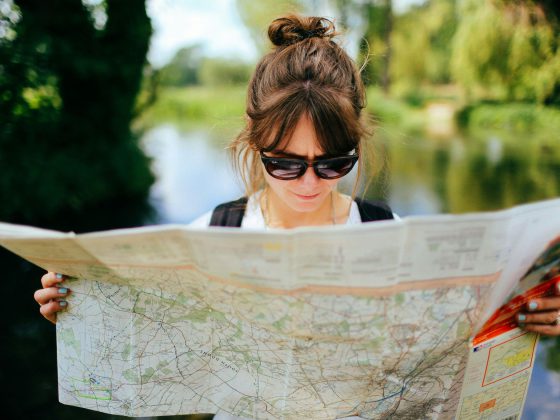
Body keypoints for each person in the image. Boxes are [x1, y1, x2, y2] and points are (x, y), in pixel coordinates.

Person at [34, 8, 560, 389]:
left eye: (333, 162)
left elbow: (445, 352)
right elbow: (151, 346)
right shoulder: (207, 234)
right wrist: (80, 310)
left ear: (359, 143)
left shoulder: (392, 232)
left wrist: (526, 316)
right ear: (254, 141)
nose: (309, 183)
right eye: (285, 162)